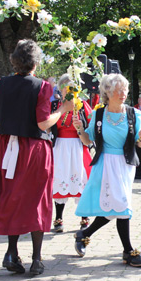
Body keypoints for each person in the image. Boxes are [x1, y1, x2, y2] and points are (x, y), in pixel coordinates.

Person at [0, 39, 74, 276]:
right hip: (34, 149)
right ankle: (37, 259)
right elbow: (43, 122)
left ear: (13, 61)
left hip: (7, 148)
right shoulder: (42, 87)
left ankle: (11, 252)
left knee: (12, 196)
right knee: (37, 199)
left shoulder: (1, 84)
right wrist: (62, 110)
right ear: (36, 64)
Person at [72, 73, 141, 267]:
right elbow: (88, 140)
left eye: (124, 89)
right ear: (107, 92)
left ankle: (84, 234)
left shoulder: (134, 114)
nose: (123, 93)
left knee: (114, 205)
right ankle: (128, 251)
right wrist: (80, 129)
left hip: (125, 165)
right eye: (118, 90)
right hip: (105, 164)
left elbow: (140, 145)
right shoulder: (98, 115)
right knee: (121, 205)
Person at [50, 73, 93, 233]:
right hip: (60, 147)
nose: (67, 91)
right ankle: (59, 217)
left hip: (78, 147)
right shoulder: (56, 106)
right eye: (65, 88)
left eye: (71, 88)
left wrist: (81, 126)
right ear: (60, 90)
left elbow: (92, 125)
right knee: (60, 180)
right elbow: (48, 124)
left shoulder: (82, 105)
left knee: (81, 180)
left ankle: (84, 217)